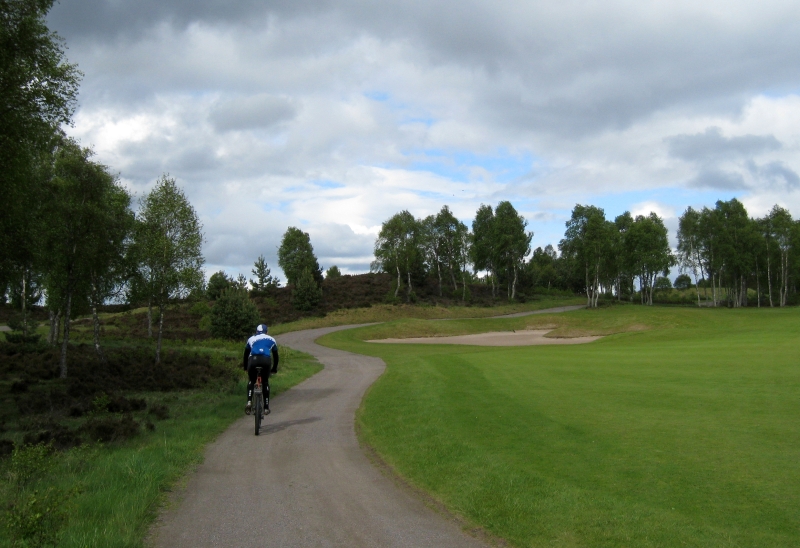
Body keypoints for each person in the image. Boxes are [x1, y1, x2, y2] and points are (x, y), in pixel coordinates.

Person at [243, 324, 279, 415]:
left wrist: (245, 367)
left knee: (251, 380)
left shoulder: (251, 338)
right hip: (265, 361)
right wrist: (274, 368)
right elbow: (276, 356)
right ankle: (266, 407)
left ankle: (249, 401)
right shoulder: (272, 339)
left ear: (256, 331)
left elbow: (246, 354)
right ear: (267, 332)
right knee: (265, 382)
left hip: (253, 360)